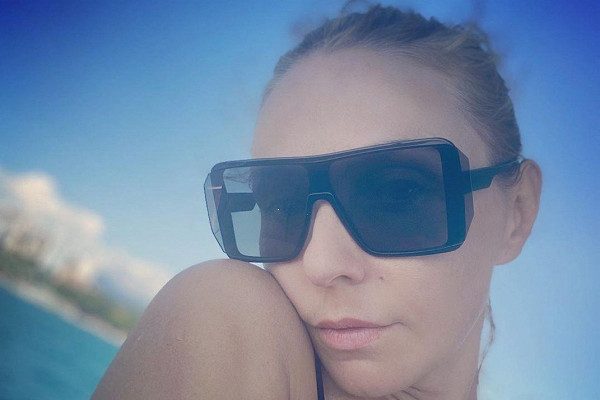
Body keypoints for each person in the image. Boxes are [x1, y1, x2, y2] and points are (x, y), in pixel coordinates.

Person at [93, 3, 542, 399]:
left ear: (517, 212)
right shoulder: (221, 312)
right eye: (281, 205)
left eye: (397, 194)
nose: (322, 265)